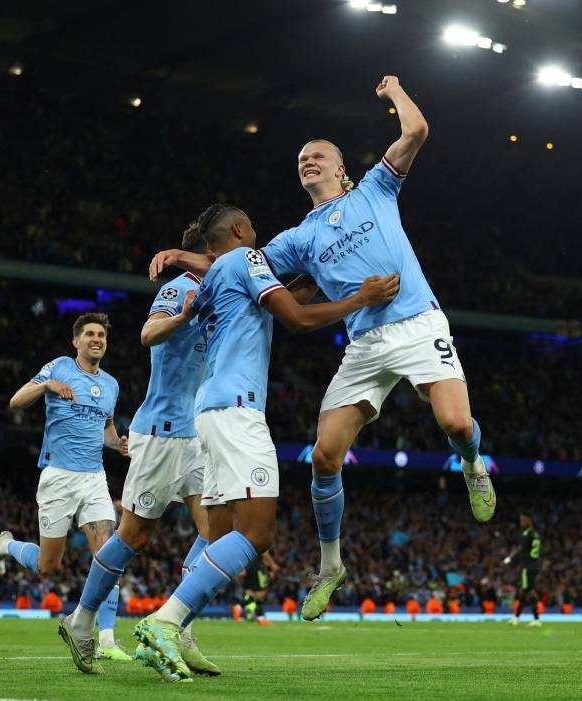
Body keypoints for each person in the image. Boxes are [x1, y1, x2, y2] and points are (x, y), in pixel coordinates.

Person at [148, 75, 496, 621]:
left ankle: (473, 463)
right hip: (363, 342)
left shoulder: (376, 190)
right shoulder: (296, 240)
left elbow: (418, 129)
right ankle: (331, 564)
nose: (307, 161)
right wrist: (186, 256)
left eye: (318, 156)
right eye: (302, 158)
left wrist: (396, 90)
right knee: (324, 456)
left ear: (340, 168)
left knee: (455, 425)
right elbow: (244, 265)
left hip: (416, 323)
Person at [132, 203, 399, 683]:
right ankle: (164, 621)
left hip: (209, 414)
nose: (260, 235)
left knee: (216, 537)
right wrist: (360, 297)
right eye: (253, 227)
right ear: (239, 231)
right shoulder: (246, 258)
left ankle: (176, 630)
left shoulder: (217, 276)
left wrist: (318, 269)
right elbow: (296, 318)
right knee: (256, 535)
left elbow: (281, 297)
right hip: (238, 410)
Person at [57, 226, 221, 676]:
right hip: (162, 431)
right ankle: (82, 621)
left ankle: (176, 627)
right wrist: (186, 315)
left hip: (199, 434)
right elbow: (148, 334)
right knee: (135, 536)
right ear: (211, 249)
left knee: (219, 534)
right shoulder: (180, 287)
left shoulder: (224, 289)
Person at [0, 313, 130, 660]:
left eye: (102, 335)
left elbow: (106, 429)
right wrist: (46, 385)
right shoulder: (59, 366)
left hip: (94, 478)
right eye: (89, 334)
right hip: (58, 476)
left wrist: (117, 443)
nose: (97, 339)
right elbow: (16, 401)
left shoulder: (111, 384)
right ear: (75, 341)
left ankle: (105, 638)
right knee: (49, 566)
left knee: (109, 554)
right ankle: (7, 546)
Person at [504, 512, 542, 627]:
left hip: (527, 567)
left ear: (529, 521)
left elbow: (520, 548)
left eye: (523, 520)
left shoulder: (527, 534)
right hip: (533, 565)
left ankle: (517, 618)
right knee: (529, 591)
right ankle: (534, 619)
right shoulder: (535, 534)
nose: (521, 523)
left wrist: (509, 558)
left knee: (525, 592)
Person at [241, 550, 280, 625]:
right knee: (260, 595)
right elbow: (264, 552)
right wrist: (272, 564)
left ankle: (254, 615)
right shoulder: (264, 541)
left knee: (250, 592)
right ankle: (240, 607)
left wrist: (269, 570)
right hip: (257, 568)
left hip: (248, 566)